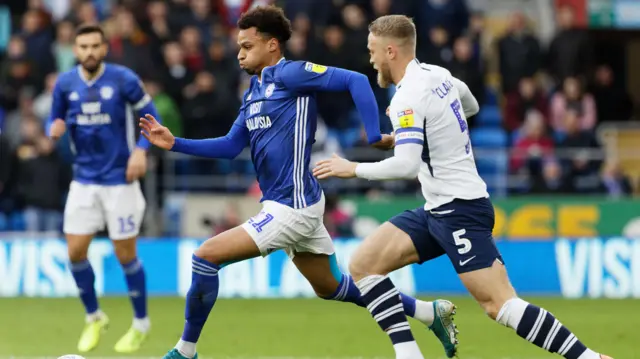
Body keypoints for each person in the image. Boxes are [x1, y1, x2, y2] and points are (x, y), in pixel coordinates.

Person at [139, 6, 458, 359]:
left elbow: (356, 80)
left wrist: (372, 135)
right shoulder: (253, 93)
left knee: (205, 257)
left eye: (247, 46)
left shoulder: (291, 74)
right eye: (239, 47)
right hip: (292, 202)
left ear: (272, 45)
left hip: (291, 205)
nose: (240, 53)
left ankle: (185, 351)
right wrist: (175, 143)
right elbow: (231, 146)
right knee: (331, 287)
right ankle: (429, 312)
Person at [313, 14, 613, 359]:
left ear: (390, 51)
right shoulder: (437, 75)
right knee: (364, 265)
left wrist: (352, 168)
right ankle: (410, 352)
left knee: (500, 305)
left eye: (372, 51)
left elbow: (406, 165)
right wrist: (420, 136)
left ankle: (589, 357)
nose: (371, 59)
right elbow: (471, 104)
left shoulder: (405, 98)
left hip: (461, 210)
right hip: (437, 208)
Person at [48, 24, 159, 353]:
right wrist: (53, 127)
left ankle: (141, 322)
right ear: (75, 49)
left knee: (125, 254)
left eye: (95, 45)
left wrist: (141, 150)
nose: (90, 52)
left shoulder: (124, 79)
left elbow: (150, 118)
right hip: (83, 180)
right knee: (75, 252)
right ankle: (94, 316)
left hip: (120, 181)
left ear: (104, 47)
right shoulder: (65, 84)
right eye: (83, 46)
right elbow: (55, 119)